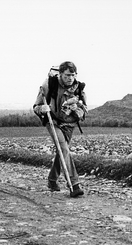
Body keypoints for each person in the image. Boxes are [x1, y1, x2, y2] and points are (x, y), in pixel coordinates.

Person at [33, 61, 88, 197]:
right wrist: (42, 109)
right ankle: (74, 184)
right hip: (53, 122)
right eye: (67, 75)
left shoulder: (79, 88)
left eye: (73, 75)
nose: (70, 78)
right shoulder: (49, 85)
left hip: (70, 124)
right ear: (60, 74)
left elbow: (84, 111)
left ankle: (52, 180)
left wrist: (78, 110)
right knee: (63, 148)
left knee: (62, 152)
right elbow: (36, 106)